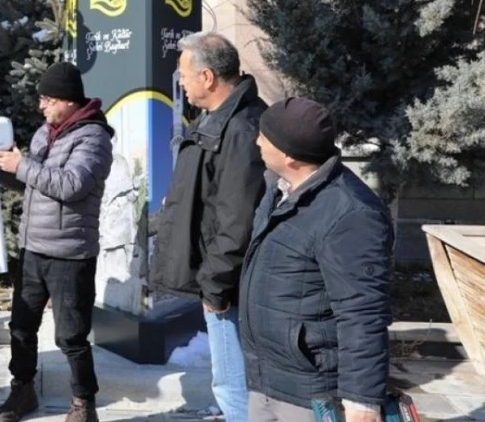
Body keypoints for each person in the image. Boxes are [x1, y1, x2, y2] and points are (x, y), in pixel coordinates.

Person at [242, 98, 393, 422]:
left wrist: (361, 400)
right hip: (266, 379)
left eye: (264, 137)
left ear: (288, 155)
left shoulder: (351, 213)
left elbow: (363, 312)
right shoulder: (279, 188)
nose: (257, 141)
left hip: (311, 394)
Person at [0, 61, 114, 422]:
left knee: (71, 336)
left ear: (69, 101)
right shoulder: (44, 132)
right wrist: (0, 170)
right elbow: (32, 183)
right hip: (33, 247)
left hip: (70, 252)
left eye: (48, 99)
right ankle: (22, 391)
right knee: (21, 327)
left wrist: (20, 164)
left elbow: (71, 185)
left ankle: (84, 404)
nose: (42, 106)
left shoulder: (94, 138)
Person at [150, 31, 267, 422]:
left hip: (227, 283)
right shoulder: (220, 118)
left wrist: (215, 284)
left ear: (208, 78)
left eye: (184, 73)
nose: (180, 82)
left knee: (232, 384)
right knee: (229, 381)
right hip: (218, 275)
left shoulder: (242, 127)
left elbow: (237, 217)